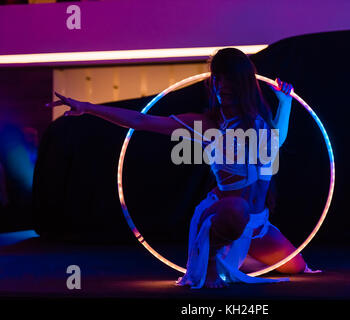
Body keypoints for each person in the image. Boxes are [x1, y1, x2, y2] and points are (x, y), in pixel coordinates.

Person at [46, 48, 320, 289]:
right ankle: (211, 257)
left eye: (228, 78)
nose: (221, 85)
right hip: (226, 215)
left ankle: (230, 262)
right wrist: (88, 107)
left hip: (256, 223)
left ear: (243, 83)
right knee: (238, 208)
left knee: (295, 267)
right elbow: (142, 122)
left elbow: (276, 143)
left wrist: (285, 102)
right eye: (217, 78)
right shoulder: (206, 125)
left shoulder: (258, 123)